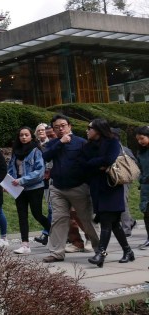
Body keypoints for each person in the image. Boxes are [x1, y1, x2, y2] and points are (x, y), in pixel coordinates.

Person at [42, 114, 100, 263]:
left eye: (63, 126)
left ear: (69, 126)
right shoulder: (52, 143)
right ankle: (56, 253)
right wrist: (60, 143)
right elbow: (46, 156)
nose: (60, 129)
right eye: (56, 127)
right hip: (58, 188)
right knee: (58, 220)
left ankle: (100, 250)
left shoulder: (81, 142)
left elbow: (91, 163)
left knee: (87, 220)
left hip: (78, 187)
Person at [81, 119, 128, 267]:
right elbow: (83, 163)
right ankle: (128, 251)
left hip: (111, 186)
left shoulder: (112, 141)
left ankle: (100, 254)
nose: (87, 130)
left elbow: (109, 159)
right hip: (96, 187)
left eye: (90, 128)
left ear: (98, 129)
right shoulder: (87, 146)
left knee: (107, 221)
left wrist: (95, 163)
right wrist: (98, 164)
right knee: (114, 224)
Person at [7, 127, 49, 255]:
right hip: (18, 188)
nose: (24, 137)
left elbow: (39, 172)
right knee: (22, 215)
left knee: (37, 214)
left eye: (26, 135)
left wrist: (22, 180)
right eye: (21, 135)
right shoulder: (16, 151)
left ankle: (56, 233)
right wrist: (9, 182)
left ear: (31, 136)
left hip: (34, 187)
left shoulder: (36, 150)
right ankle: (24, 244)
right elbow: (11, 168)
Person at [33, 123, 53, 246]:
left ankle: (46, 233)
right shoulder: (36, 145)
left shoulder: (50, 144)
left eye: (43, 130)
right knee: (50, 207)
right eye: (39, 130)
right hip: (42, 181)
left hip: (51, 178)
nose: (41, 131)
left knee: (51, 208)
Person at [135, 126, 149, 251]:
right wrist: (141, 179)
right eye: (138, 139)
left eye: (142, 138)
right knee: (146, 213)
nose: (140, 141)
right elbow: (139, 169)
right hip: (146, 187)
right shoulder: (141, 152)